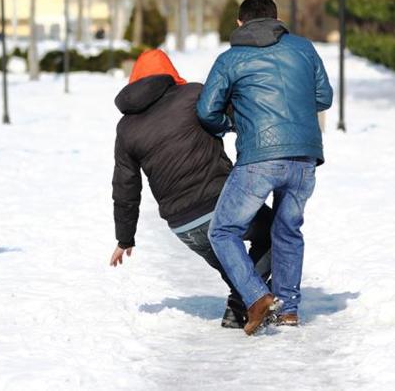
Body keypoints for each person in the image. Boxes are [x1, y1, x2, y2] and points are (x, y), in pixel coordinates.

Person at [197, 0, 333, 335]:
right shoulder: (303, 48)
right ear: (276, 19)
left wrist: (231, 122)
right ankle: (287, 309)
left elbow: (206, 110)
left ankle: (256, 296)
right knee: (288, 230)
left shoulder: (230, 59)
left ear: (240, 23)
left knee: (223, 230)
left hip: (259, 157)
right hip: (305, 156)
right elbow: (324, 97)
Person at [110, 49, 273, 329]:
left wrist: (125, 238)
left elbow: (125, 187)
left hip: (183, 224)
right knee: (276, 232)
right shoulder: (194, 95)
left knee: (235, 269)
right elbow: (237, 116)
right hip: (223, 203)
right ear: (170, 73)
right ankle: (242, 301)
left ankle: (241, 305)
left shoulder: (125, 128)